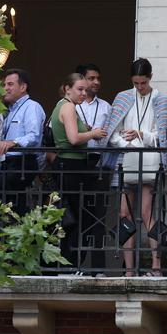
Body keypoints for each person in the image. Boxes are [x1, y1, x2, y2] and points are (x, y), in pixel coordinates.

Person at [103, 58, 167, 277]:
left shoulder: (163, 100)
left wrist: (141, 135)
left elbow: (163, 136)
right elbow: (112, 131)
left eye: (143, 82)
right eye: (136, 83)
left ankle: (156, 266)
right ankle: (129, 269)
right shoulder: (123, 97)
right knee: (124, 213)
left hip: (151, 160)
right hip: (126, 160)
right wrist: (125, 142)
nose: (139, 87)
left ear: (150, 78)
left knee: (146, 212)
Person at [50, 73, 108, 272]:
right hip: (72, 167)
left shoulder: (62, 105)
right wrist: (93, 133)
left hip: (68, 167)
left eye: (85, 89)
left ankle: (68, 265)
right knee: (80, 219)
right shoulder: (68, 107)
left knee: (72, 219)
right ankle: (71, 265)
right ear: (68, 88)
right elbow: (74, 139)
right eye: (80, 89)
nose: (84, 93)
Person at [75, 62, 112, 275]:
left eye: (98, 78)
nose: (96, 82)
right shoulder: (70, 105)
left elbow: (112, 136)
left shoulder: (106, 106)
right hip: (77, 162)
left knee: (99, 217)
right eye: (91, 78)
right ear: (81, 79)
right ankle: (75, 266)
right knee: (77, 215)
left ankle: (98, 267)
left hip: (99, 163)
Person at [0, 69, 45, 215]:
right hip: (9, 163)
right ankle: (21, 234)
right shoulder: (10, 110)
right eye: (4, 85)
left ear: (23, 87)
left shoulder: (32, 106)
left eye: (10, 84)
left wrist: (13, 142)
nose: (5, 88)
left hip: (23, 162)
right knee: (16, 204)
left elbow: (34, 136)